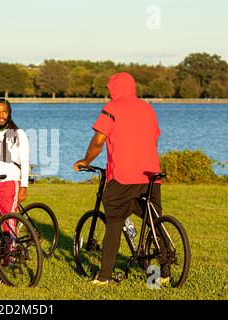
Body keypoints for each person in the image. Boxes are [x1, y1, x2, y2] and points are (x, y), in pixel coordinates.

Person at [72, 72, 168, 285]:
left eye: (109, 89)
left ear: (115, 88)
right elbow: (153, 137)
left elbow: (99, 139)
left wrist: (86, 160)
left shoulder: (112, 109)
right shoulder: (148, 109)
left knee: (114, 222)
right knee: (153, 222)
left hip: (124, 176)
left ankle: (104, 277)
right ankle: (165, 274)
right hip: (151, 175)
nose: (108, 93)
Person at [0, 98, 30, 237]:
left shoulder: (19, 134)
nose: (1, 116)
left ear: (9, 113)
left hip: (10, 182)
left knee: (8, 221)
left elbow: (25, 161)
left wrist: (24, 186)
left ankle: (11, 256)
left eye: (4, 112)